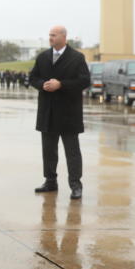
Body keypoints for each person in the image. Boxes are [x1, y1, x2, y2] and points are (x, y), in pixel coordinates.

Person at [29, 25, 90, 200]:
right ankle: (50, 181)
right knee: (48, 151)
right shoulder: (43, 57)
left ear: (64, 37)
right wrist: (42, 85)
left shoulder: (77, 57)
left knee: (72, 152)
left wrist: (61, 84)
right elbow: (33, 78)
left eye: (53, 35)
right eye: (49, 35)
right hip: (47, 113)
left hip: (69, 113)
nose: (50, 38)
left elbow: (84, 81)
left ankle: (76, 185)